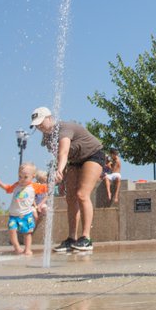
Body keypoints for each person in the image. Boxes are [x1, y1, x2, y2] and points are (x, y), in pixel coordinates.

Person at [31, 106, 106, 253]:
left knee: (82, 195)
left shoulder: (63, 127)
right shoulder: (46, 138)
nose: (39, 127)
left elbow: (64, 151)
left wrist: (58, 170)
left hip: (93, 155)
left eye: (41, 122)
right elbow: (59, 156)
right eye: (36, 125)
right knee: (70, 198)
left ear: (49, 118)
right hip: (74, 162)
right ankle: (71, 239)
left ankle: (86, 238)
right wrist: (63, 175)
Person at [0, 163, 48, 255]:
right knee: (12, 231)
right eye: (20, 176)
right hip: (13, 215)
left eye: (25, 177)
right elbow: (8, 188)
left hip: (26, 214)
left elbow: (46, 188)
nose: (22, 179)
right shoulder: (16, 185)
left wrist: (55, 181)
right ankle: (17, 247)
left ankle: (27, 249)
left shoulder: (34, 186)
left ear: (33, 176)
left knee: (27, 233)